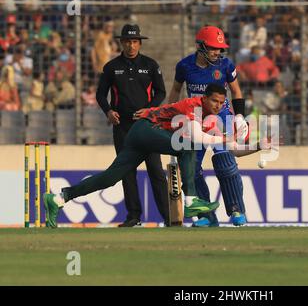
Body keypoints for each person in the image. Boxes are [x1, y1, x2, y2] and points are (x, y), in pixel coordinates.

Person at [43, 84, 234, 228]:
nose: (217, 106)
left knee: (110, 178)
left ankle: (60, 198)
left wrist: (257, 144)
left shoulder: (210, 118)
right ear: (204, 98)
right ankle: (191, 201)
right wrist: (224, 139)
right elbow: (197, 137)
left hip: (143, 135)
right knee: (187, 146)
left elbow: (222, 141)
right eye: (214, 101)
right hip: (146, 129)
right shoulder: (194, 105)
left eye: (220, 102)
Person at [167, 25, 249, 227]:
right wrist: (171, 117)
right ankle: (206, 217)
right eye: (213, 47)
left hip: (222, 119)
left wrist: (239, 115)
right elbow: (175, 92)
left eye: (220, 48)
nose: (217, 52)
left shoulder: (226, 65)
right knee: (191, 170)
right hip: (195, 119)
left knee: (226, 165)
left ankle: (237, 211)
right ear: (200, 46)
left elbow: (236, 92)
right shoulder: (185, 66)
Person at [95, 24, 170, 227]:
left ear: (140, 43)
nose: (131, 46)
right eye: (127, 41)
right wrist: (109, 112)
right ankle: (134, 216)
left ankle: (169, 218)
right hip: (123, 126)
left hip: (147, 125)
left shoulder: (151, 65)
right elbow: (100, 94)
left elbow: (160, 93)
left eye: (135, 41)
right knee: (127, 171)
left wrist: (150, 110)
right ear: (121, 42)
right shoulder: (112, 67)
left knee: (155, 169)